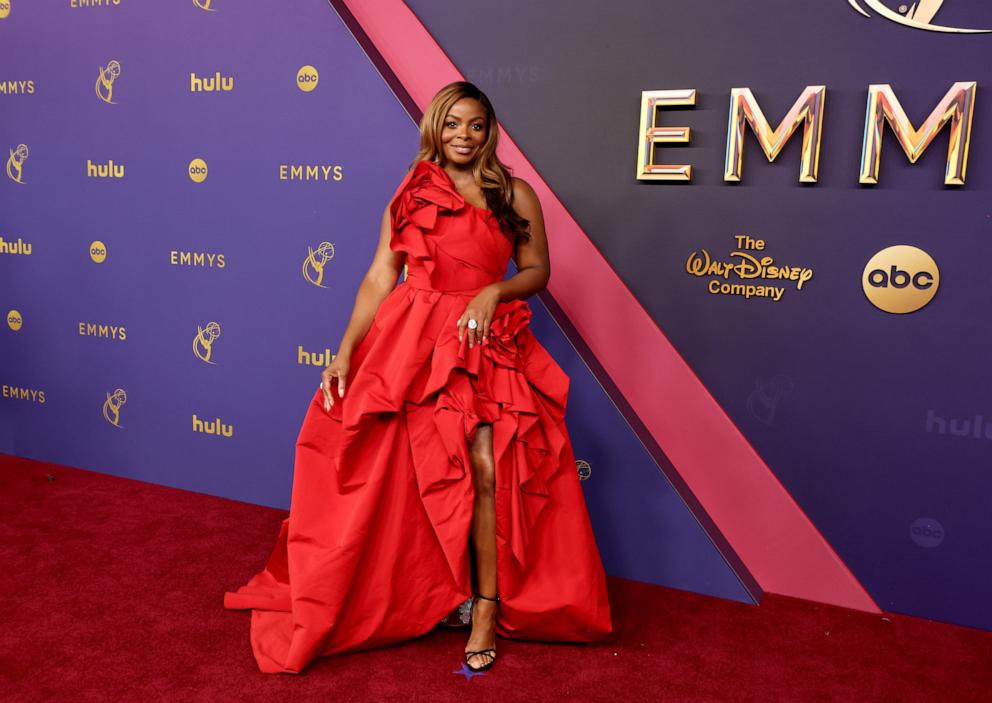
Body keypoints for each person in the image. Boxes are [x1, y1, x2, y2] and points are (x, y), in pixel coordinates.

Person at [224, 81, 612, 675]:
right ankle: (433, 593)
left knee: (486, 466)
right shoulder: (412, 190)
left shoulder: (515, 193)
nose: (464, 135)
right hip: (411, 342)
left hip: (482, 342)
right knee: (411, 470)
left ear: (490, 131)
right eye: (453, 124)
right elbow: (382, 276)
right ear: (435, 127)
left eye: (476, 125)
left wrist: (493, 291)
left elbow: (538, 270)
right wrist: (345, 351)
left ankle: (485, 607)